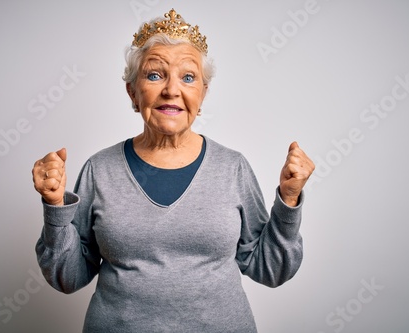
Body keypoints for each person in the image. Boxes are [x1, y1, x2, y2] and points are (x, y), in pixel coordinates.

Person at [32, 9, 315, 333]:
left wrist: (289, 201)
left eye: (188, 77)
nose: (171, 90)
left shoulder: (232, 168)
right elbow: (68, 277)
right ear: (132, 92)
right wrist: (55, 207)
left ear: (202, 94)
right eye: (154, 75)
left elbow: (271, 270)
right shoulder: (100, 170)